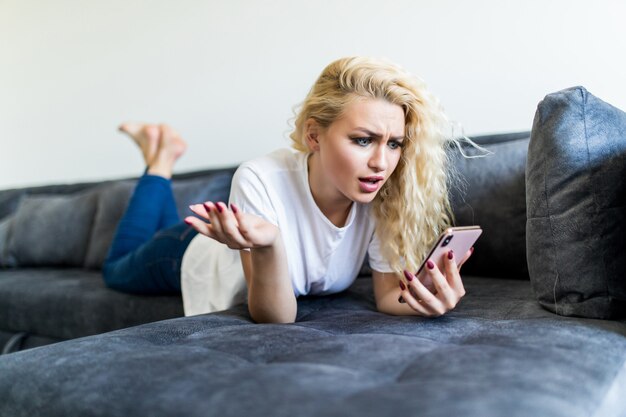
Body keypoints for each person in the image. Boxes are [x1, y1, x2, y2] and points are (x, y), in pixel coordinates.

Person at [103, 56, 473, 323]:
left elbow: (389, 295)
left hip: (215, 233)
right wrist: (270, 244)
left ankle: (161, 151)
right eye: (363, 140)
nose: (381, 162)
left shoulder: (384, 193)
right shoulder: (260, 178)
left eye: (394, 144)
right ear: (314, 135)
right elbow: (274, 316)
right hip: (186, 250)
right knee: (117, 269)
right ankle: (160, 163)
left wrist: (428, 299)